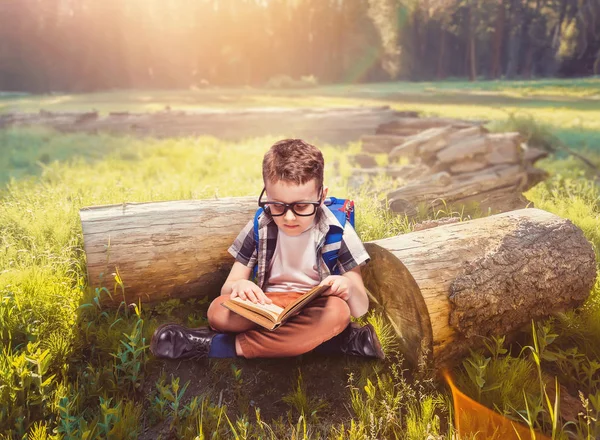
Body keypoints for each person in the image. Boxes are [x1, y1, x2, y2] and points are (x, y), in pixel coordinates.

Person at [150, 139, 384, 360]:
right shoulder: (260, 226)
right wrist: (241, 286)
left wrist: (346, 288)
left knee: (338, 313)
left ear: (321, 196)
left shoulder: (339, 231)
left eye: (302, 206)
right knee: (217, 311)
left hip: (313, 307)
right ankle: (332, 343)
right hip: (267, 305)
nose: (289, 217)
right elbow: (229, 287)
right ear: (266, 194)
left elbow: (360, 307)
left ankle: (219, 346)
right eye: (277, 205)